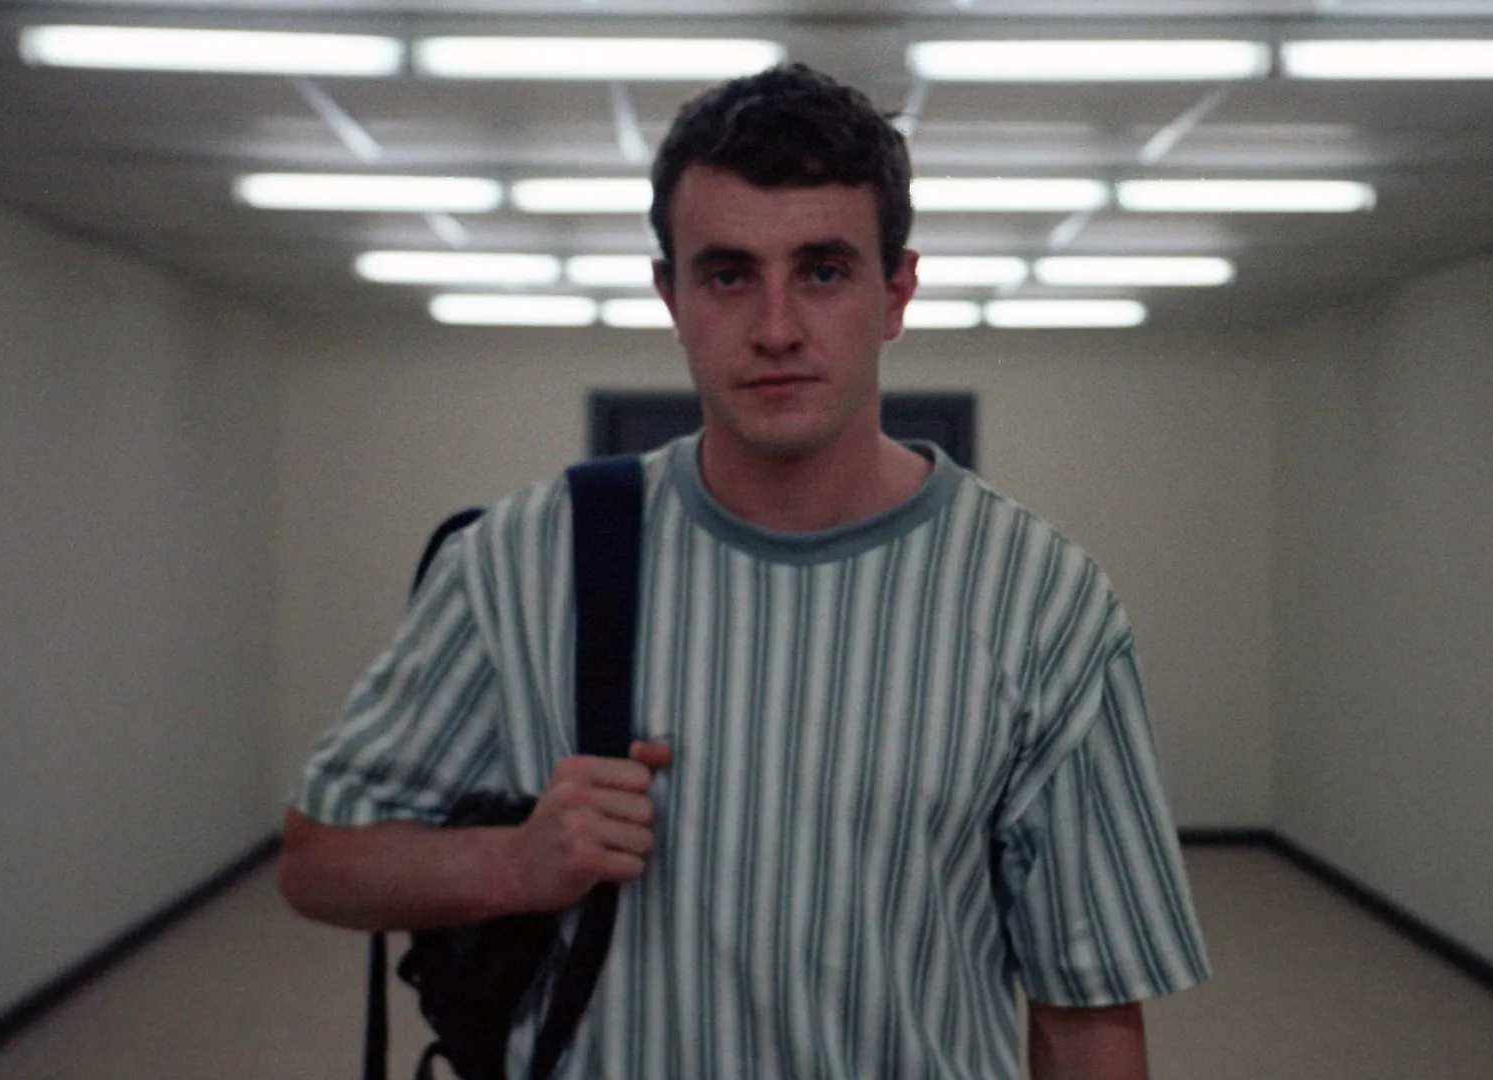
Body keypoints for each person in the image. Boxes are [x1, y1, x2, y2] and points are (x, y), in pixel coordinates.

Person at [279, 63, 1209, 1079]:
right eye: (728, 275)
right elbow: (320, 859)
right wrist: (510, 861)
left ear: (896, 292)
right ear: (671, 296)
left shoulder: (1041, 603)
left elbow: (1086, 1013)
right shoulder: (520, 562)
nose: (775, 328)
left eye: (822, 271)